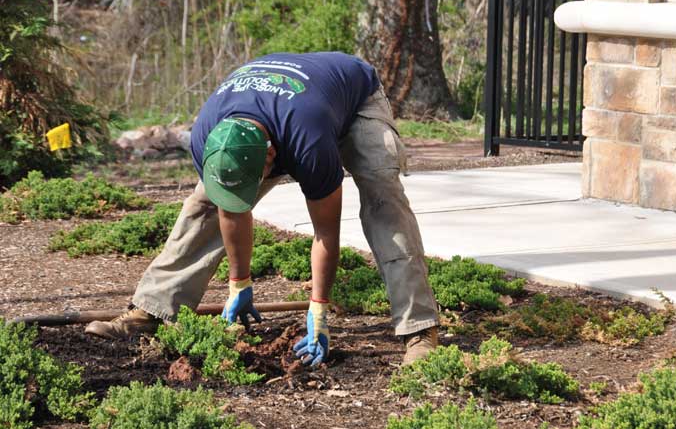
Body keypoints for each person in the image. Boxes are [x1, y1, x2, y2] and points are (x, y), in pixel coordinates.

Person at [84, 52, 440, 366]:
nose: (247, 195)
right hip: (287, 100)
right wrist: (239, 283)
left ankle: (420, 329)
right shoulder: (205, 135)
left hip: (354, 95)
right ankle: (152, 308)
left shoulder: (307, 144)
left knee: (383, 199)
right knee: (204, 204)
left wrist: (318, 309)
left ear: (272, 156)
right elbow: (228, 209)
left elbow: (325, 233)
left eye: (253, 181)